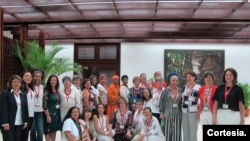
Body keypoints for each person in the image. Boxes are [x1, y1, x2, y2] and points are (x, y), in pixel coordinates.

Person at [0, 75, 29, 141]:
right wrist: (5, 123)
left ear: (21, 84)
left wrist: (26, 121)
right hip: (9, 124)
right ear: (10, 83)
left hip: (19, 123)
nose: (16, 84)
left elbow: (25, 109)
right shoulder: (5, 94)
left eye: (18, 82)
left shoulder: (23, 94)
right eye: (14, 82)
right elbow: (3, 110)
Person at [159, 72, 182, 141]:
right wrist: (161, 112)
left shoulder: (180, 90)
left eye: (176, 80)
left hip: (178, 115)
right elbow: (161, 102)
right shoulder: (165, 91)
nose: (175, 82)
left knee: (177, 133)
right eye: (173, 80)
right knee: (167, 132)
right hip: (167, 115)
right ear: (169, 81)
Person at [181, 71, 201, 141]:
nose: (188, 78)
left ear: (194, 77)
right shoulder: (184, 87)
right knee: (185, 131)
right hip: (184, 112)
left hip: (194, 112)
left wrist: (198, 113)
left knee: (193, 131)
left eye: (190, 77)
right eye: (187, 77)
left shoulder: (198, 87)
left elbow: (200, 101)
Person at [43, 75, 61, 141]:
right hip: (49, 113)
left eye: (55, 80)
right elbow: (44, 105)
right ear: (49, 81)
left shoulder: (57, 91)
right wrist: (47, 116)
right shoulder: (46, 91)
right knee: (48, 131)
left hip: (56, 113)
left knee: (54, 130)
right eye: (52, 80)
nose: (53, 81)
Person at [20, 71, 35, 141]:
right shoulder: (20, 88)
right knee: (23, 133)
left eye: (30, 76)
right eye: (26, 76)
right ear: (22, 77)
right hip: (24, 114)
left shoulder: (30, 87)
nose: (28, 77)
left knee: (26, 133)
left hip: (31, 114)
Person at [30, 69, 45, 141]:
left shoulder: (43, 87)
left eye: (39, 77)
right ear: (32, 77)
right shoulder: (29, 87)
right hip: (31, 112)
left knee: (40, 131)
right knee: (32, 131)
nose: (38, 78)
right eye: (36, 76)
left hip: (40, 112)